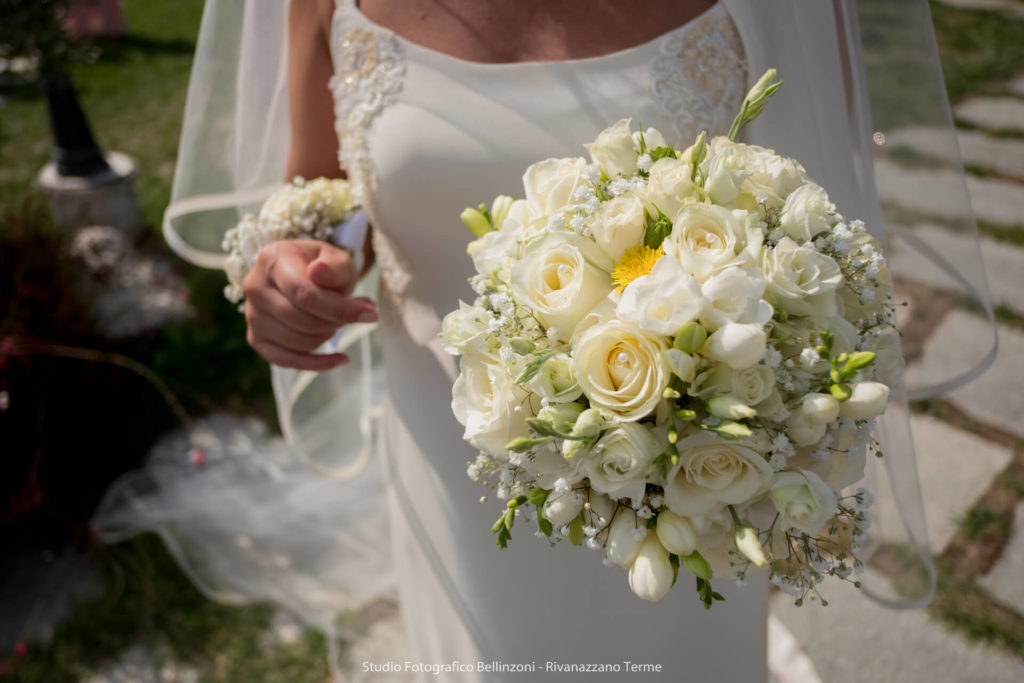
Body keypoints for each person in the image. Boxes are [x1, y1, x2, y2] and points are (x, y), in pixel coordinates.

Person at [97, 1, 996, 681]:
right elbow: (330, 193)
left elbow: (830, 236)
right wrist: (298, 270)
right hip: (454, 472)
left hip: (685, 489)